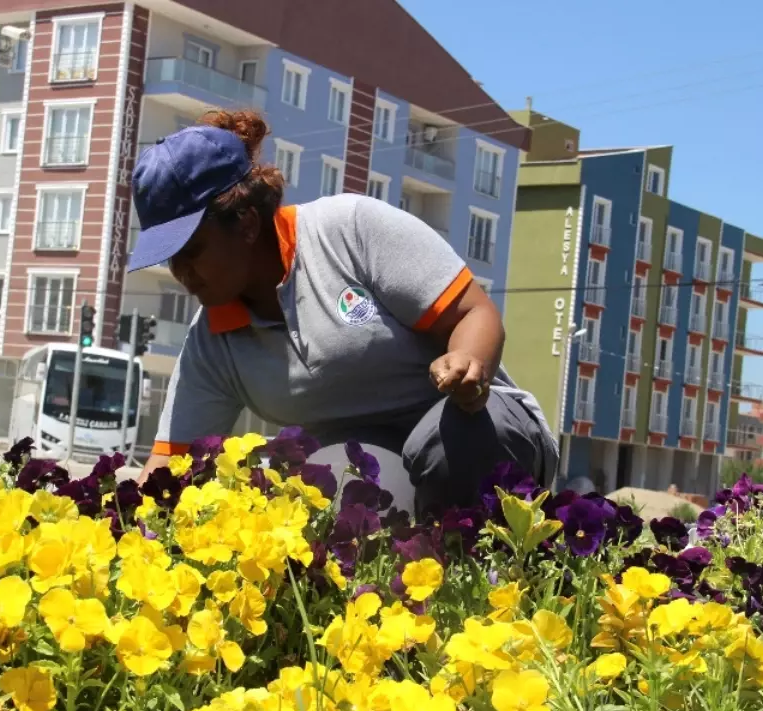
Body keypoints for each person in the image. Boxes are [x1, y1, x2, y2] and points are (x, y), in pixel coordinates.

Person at [129, 109, 558, 510]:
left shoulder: (349, 231)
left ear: (245, 223)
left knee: (447, 445)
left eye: (191, 251)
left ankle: (498, 579)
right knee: (329, 486)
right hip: (374, 458)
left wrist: (468, 362)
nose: (180, 272)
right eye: (169, 258)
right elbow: (172, 465)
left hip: (478, 425)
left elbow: (475, 314)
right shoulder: (213, 338)